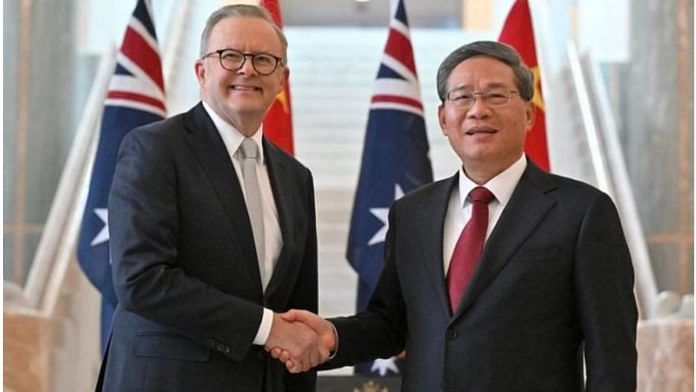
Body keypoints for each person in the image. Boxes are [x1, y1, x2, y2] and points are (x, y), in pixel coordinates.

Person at [273, 41, 638, 391]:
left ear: (529, 113)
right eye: (462, 97)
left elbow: (612, 354)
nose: (478, 110)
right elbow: (391, 323)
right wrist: (332, 336)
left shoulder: (582, 211)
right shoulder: (412, 213)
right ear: (443, 119)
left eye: (496, 95)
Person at [99, 5, 326, 391]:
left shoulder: (295, 177)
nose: (247, 69)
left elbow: (297, 310)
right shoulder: (155, 149)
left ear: (283, 78)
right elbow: (142, 278)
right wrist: (266, 328)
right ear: (201, 71)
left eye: (263, 59)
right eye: (230, 56)